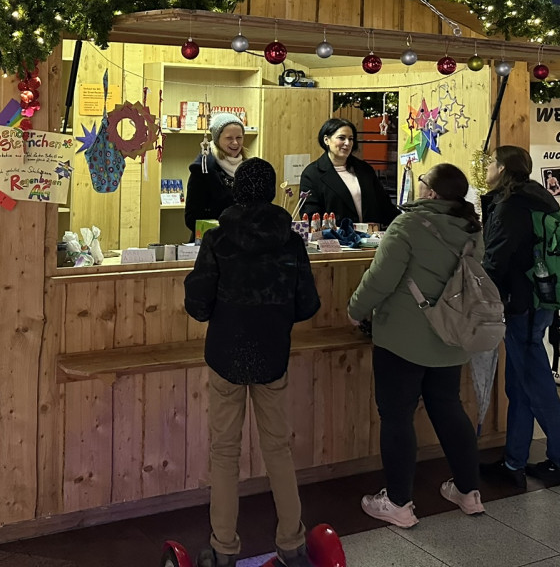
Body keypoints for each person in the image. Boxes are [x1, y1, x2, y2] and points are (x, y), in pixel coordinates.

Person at [184, 158, 321, 567]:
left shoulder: (218, 240)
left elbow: (198, 304)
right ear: (271, 191)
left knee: (224, 452)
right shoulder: (290, 240)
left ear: (237, 190)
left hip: (226, 354)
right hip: (272, 354)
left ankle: (224, 547)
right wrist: (273, 317)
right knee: (278, 448)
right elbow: (307, 303)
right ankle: (292, 543)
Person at [348, 163, 485, 528]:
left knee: (396, 416)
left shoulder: (408, 225)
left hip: (403, 338)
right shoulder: (472, 228)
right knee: (449, 408)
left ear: (431, 192)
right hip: (451, 334)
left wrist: (355, 310)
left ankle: (397, 502)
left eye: (422, 181)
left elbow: (380, 279)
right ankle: (469, 492)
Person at [480, 145, 560, 488]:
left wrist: (477, 293)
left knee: (536, 385)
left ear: (503, 167)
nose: (486, 168)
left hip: (522, 303)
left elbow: (497, 258)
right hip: (541, 300)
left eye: (490, 162)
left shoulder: (511, 204)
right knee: (520, 383)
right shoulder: (540, 197)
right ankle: (514, 461)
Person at [298, 118, 399, 228]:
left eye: (351, 139)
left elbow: (385, 206)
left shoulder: (364, 169)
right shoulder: (312, 174)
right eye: (342, 138)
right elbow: (310, 215)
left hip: (371, 239)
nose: (347, 143)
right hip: (334, 241)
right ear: (326, 140)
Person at [185, 113, 248, 238]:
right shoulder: (202, 169)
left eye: (239, 137)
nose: (235, 143)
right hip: (212, 243)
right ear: (217, 139)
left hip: (244, 241)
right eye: (229, 138)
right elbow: (191, 218)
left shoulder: (248, 168)